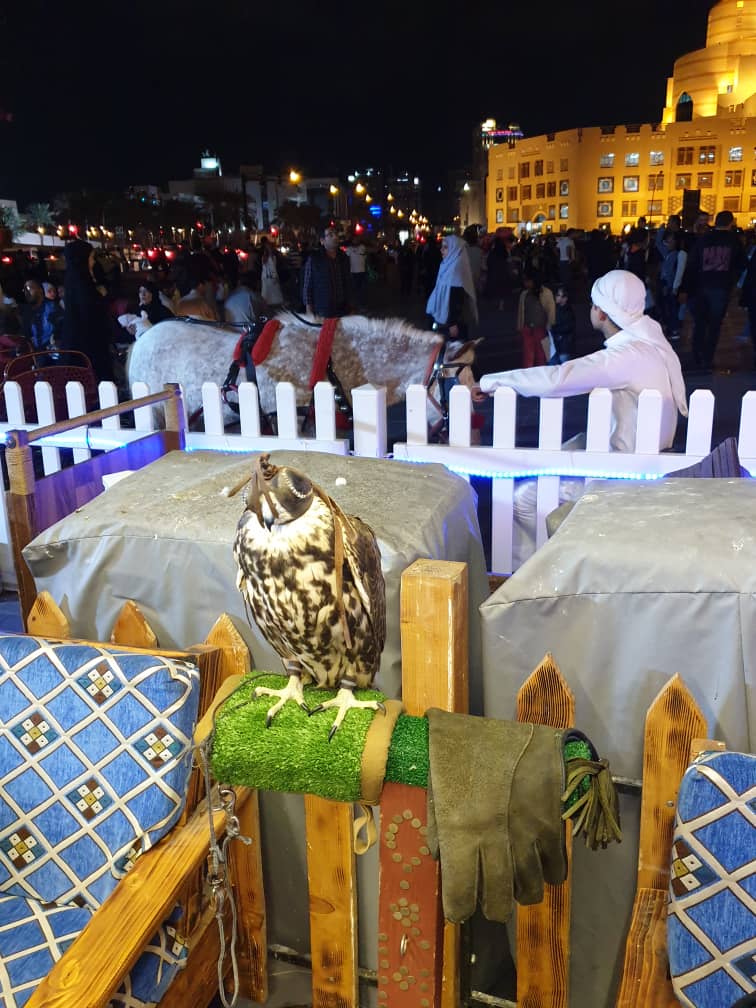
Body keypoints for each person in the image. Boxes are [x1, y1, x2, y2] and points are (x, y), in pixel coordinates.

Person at [472, 270, 688, 567]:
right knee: (554, 459)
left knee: (523, 498)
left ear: (601, 311)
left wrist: (489, 383)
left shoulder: (626, 355)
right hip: (639, 461)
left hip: (622, 472)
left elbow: (557, 378)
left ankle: (528, 580)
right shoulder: (650, 344)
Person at [686, 209, 745, 371]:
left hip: (701, 286)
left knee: (700, 323)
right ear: (730, 223)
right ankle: (707, 357)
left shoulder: (704, 239)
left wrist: (687, 288)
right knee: (714, 325)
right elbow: (740, 264)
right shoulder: (734, 241)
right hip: (721, 287)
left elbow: (692, 263)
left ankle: (696, 354)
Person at [60, 239, 114, 381]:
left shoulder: (75, 281)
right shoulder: (82, 285)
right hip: (88, 348)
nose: (93, 262)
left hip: (77, 345)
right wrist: (100, 296)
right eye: (90, 258)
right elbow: (91, 314)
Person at [425, 233, 478, 341]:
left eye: (445, 247)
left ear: (454, 249)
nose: (441, 250)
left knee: (455, 351)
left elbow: (456, 296)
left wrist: (453, 323)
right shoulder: (447, 264)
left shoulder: (455, 268)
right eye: (441, 247)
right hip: (445, 319)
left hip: (452, 322)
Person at [301, 227, 351, 319]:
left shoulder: (344, 258)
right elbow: (307, 286)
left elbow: (348, 282)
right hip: (322, 309)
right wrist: (309, 310)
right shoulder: (314, 259)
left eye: (336, 234)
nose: (335, 237)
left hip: (342, 309)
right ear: (322, 241)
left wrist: (351, 306)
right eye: (330, 235)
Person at [516, 270, 555, 368]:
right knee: (528, 358)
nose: (526, 283)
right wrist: (520, 327)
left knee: (541, 356)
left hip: (541, 329)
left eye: (528, 280)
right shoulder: (524, 294)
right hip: (527, 329)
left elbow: (551, 311)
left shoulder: (546, 293)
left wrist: (550, 326)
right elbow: (521, 312)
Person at [658, 232, 687, 342]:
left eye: (670, 241)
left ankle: (674, 330)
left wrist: (675, 287)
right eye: (667, 241)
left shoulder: (681, 254)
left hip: (673, 287)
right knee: (668, 308)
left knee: (673, 309)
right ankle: (671, 328)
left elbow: (680, 271)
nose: (668, 243)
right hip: (666, 284)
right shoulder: (670, 253)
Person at [550, 284, 576, 362]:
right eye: (557, 295)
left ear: (565, 298)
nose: (556, 297)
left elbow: (569, 327)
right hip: (555, 346)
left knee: (565, 367)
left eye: (559, 295)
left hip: (564, 346)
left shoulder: (568, 311)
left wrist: (554, 328)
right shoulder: (555, 309)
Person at [345, 234, 368, 308]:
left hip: (362, 271)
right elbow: (347, 260)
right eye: (354, 239)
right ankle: (355, 304)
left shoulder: (362, 247)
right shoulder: (349, 249)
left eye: (357, 239)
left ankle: (362, 304)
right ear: (352, 240)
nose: (356, 240)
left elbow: (366, 256)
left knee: (363, 289)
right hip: (353, 272)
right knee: (355, 289)